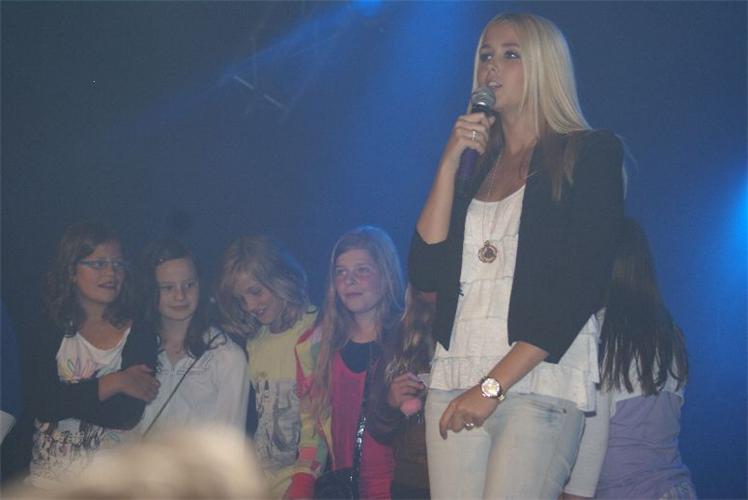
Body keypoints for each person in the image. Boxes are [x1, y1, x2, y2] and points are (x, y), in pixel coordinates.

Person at [408, 12, 624, 498]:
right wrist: (448, 163)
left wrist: (492, 387)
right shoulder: (475, 168)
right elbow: (424, 271)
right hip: (455, 375)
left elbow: (580, 287)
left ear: (545, 67)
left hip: (536, 382)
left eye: (510, 55)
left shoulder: (589, 153)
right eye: (485, 55)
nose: (492, 67)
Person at [563, 218, 696, 499]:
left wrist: (574, 495)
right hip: (674, 489)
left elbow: (593, 432)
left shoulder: (600, 332)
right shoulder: (668, 333)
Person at [27, 221, 159, 489]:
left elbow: (125, 414)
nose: (111, 272)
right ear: (72, 271)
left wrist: (64, 400)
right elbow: (41, 402)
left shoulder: (140, 333)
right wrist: (116, 381)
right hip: (47, 484)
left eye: (118, 263)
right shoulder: (49, 327)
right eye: (98, 263)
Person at [288, 225, 405, 499]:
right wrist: (303, 482)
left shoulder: (410, 340)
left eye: (362, 270)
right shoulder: (314, 347)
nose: (349, 281)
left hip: (402, 487)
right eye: (340, 272)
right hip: (344, 489)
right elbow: (311, 425)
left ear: (386, 274)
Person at [215, 235, 317, 498]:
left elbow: (320, 418)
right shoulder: (255, 342)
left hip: (305, 481)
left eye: (256, 292)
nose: (250, 306)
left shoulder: (317, 329)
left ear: (281, 277)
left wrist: (303, 481)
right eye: (241, 299)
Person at [133, 238, 248, 435]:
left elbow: (230, 439)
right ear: (150, 290)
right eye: (168, 287)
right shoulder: (133, 347)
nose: (180, 296)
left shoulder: (227, 356)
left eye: (189, 285)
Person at [368, 285, 436, 499]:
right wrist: (390, 403)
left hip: (472, 467)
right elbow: (377, 427)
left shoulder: (480, 329)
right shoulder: (401, 334)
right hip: (413, 481)